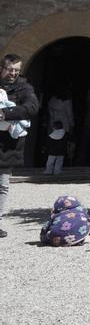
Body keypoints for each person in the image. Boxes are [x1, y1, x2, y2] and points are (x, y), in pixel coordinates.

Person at [0, 54, 40, 238]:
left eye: (16, 70)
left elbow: (32, 107)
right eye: (10, 69)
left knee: (2, 184)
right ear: (2, 68)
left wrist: (6, 113)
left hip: (8, 144)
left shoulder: (24, 87)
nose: (13, 73)